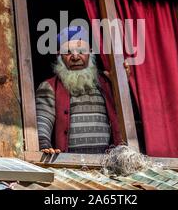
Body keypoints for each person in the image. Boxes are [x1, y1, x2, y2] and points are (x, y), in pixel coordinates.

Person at [35, 25, 124, 154]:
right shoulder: (49, 87)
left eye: (81, 51)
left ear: (91, 52)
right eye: (68, 52)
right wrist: (44, 145)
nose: (75, 57)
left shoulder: (107, 84)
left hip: (106, 165)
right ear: (59, 55)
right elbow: (43, 120)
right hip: (68, 164)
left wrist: (122, 80)